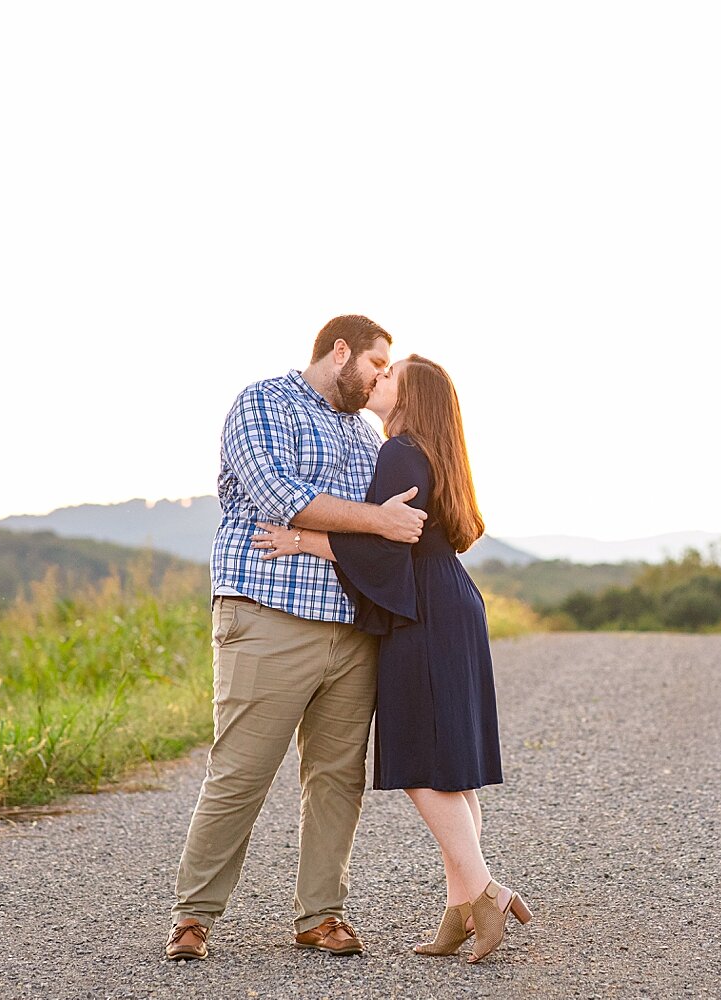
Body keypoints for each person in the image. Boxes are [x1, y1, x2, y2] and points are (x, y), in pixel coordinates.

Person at [252, 355, 533, 964]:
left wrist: (299, 539)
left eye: (388, 375)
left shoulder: (400, 451)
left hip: (424, 610)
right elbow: (391, 540)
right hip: (449, 600)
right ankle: (461, 909)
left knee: (419, 764)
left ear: (410, 396)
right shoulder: (435, 451)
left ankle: (484, 893)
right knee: (450, 766)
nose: (376, 380)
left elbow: (383, 549)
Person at [164, 316, 427, 963]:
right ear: (340, 351)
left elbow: (381, 538)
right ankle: (192, 917)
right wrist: (378, 522)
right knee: (241, 771)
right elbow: (280, 496)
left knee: (338, 778)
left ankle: (320, 916)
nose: (381, 378)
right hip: (268, 614)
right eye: (376, 363)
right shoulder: (263, 403)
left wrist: (378, 530)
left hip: (350, 628)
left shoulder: (367, 437)